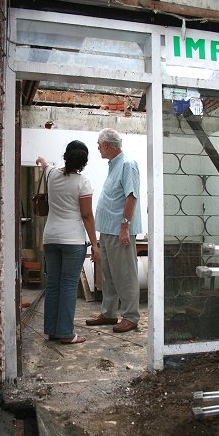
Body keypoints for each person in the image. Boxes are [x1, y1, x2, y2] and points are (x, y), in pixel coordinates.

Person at [36, 140, 99, 344]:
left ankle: (52, 331)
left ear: (65, 156)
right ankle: (66, 333)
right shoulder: (83, 182)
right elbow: (87, 216)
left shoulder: (52, 174)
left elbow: (45, 164)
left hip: (50, 237)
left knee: (53, 284)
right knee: (69, 286)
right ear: (83, 162)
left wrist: (41, 160)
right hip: (73, 240)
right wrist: (95, 245)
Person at [86, 128, 142, 333]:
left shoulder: (128, 164)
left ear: (107, 145)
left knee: (125, 275)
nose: (98, 148)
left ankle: (131, 316)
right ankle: (109, 313)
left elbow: (131, 197)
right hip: (108, 230)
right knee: (109, 274)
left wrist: (125, 227)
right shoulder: (114, 165)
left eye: (99, 144)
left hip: (120, 231)